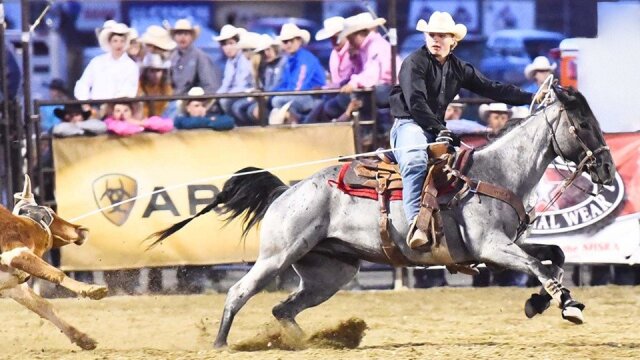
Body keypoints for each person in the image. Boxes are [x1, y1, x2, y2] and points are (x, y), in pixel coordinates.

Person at [388, 11, 541, 250]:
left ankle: (468, 230)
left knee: (470, 167)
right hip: (410, 124)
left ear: (453, 41)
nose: (435, 40)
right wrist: (440, 129)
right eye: (431, 35)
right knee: (415, 161)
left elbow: (492, 88)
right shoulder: (413, 63)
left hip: (434, 129)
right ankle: (415, 225)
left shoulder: (459, 68)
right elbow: (416, 102)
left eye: (441, 35)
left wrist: (531, 97)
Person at [323, 12, 393, 122]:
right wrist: (355, 61)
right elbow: (365, 71)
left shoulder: (376, 45)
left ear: (360, 34)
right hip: (381, 88)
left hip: (388, 88)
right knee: (349, 98)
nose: (350, 43)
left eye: (351, 39)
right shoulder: (367, 48)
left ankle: (378, 128)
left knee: (350, 99)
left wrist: (353, 83)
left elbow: (372, 73)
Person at [269, 23, 326, 124]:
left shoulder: (305, 59)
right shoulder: (289, 60)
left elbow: (299, 87)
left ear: (299, 41)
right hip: (299, 96)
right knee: (272, 101)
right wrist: (270, 94)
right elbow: (284, 83)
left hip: (312, 97)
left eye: (292, 40)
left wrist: (275, 95)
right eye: (286, 41)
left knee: (277, 101)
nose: (289, 44)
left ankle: (295, 120)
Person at [74, 22, 139, 100]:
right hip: (95, 107)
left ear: (126, 43)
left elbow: (129, 91)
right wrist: (85, 103)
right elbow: (83, 84)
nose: (119, 44)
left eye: (122, 41)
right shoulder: (97, 62)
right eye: (115, 41)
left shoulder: (131, 66)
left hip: (119, 107)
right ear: (109, 42)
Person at [168, 19, 220, 95]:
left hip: (193, 100)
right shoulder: (172, 57)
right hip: (173, 99)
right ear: (174, 37)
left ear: (191, 37)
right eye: (179, 34)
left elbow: (210, 86)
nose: (182, 37)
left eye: (186, 34)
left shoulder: (200, 57)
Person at [213, 25, 254, 118]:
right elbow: (226, 83)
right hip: (236, 93)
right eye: (224, 44)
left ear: (238, 43)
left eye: (231, 43)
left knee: (225, 102)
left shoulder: (245, 58)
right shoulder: (230, 62)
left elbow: (243, 84)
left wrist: (225, 95)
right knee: (217, 103)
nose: (228, 48)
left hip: (248, 93)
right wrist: (215, 96)